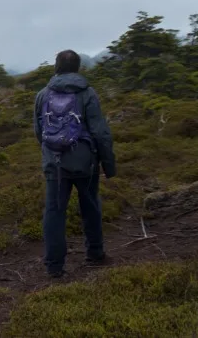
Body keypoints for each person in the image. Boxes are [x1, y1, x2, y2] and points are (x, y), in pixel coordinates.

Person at [34, 50, 116, 278]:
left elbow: (39, 133)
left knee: (54, 211)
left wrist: (53, 152)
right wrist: (108, 165)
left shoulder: (42, 94)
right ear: (78, 67)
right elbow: (100, 132)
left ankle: (54, 266)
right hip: (85, 162)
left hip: (55, 164)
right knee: (90, 205)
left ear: (56, 67)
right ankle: (95, 253)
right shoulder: (88, 93)